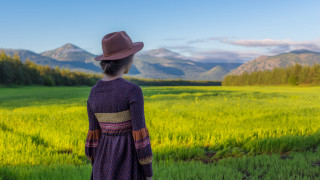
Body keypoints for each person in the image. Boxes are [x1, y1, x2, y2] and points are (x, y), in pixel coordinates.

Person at [85, 31, 153, 180]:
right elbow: (140, 138)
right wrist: (148, 173)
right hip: (128, 166)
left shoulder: (93, 92)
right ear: (127, 61)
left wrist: (98, 166)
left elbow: (93, 139)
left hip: (101, 166)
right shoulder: (133, 91)